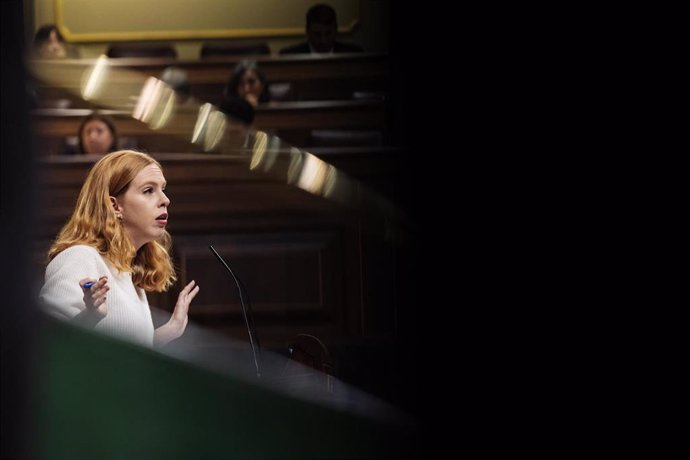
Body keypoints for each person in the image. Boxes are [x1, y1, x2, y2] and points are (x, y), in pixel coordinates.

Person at [39, 150, 200, 348]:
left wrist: (169, 331)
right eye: (149, 190)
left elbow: (120, 353)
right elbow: (47, 344)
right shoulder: (79, 256)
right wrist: (89, 316)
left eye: (163, 189)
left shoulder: (126, 270)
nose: (165, 200)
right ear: (115, 206)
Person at [279, 3, 364, 54]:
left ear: (336, 30)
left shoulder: (353, 54)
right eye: (317, 34)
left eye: (328, 33)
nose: (323, 40)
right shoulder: (289, 56)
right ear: (307, 31)